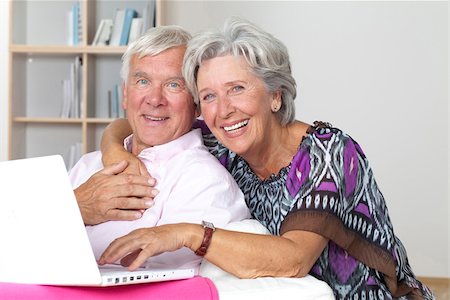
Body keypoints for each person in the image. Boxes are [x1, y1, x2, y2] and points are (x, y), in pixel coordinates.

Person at [97, 17, 434, 299]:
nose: (224, 110)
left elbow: (293, 259)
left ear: (275, 94)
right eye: (209, 96)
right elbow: (139, 119)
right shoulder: (222, 138)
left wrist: (186, 233)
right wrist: (114, 149)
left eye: (237, 89)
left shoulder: (327, 153)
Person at [69, 25, 250, 270]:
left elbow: (166, 284)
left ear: (196, 103)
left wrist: (63, 213)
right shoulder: (87, 165)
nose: (155, 100)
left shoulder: (204, 180)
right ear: (125, 94)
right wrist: (76, 207)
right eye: (143, 81)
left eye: (174, 85)